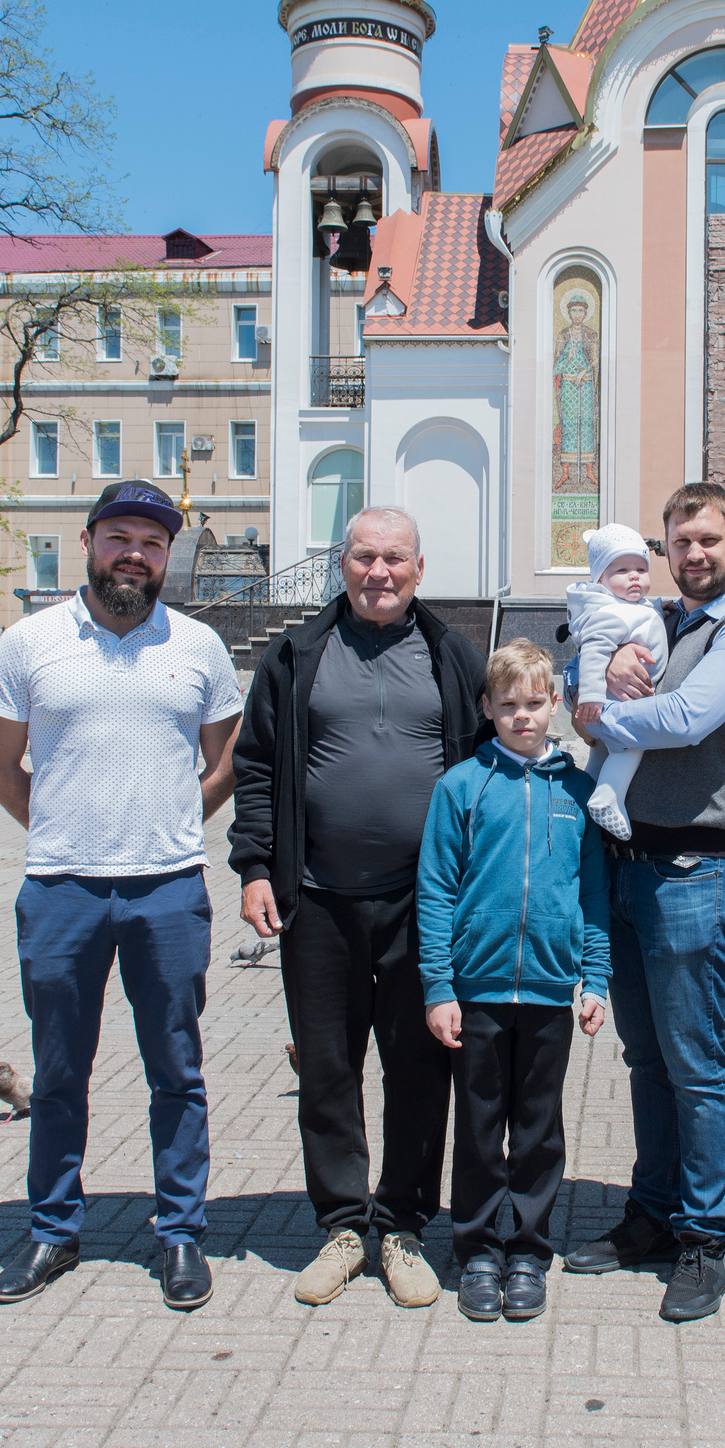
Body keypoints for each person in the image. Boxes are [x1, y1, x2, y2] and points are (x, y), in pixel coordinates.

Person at [0, 481, 244, 1309]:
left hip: (167, 891)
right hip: (61, 891)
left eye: (153, 543)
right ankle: (53, 1230)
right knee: (59, 1073)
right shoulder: (29, 642)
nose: (135, 553)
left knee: (178, 1070)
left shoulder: (198, 645)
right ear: (88, 541)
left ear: (167, 557)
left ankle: (180, 1233)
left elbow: (226, 758)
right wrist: (61, 830)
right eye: (120, 537)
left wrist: (170, 820)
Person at [229, 506, 489, 1311]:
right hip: (318, 900)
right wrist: (255, 867)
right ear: (342, 563)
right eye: (364, 557)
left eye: (394, 559)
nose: (379, 572)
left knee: (420, 1069)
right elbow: (259, 768)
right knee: (329, 1071)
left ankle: (404, 1225)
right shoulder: (296, 654)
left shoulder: (452, 655)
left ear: (419, 567)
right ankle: (343, 1224)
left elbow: (486, 767)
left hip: (426, 908)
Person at [564, 481, 725, 1322]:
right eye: (679, 541)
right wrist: (592, 675)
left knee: (694, 1065)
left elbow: (689, 718)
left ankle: (706, 1236)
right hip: (623, 863)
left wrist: (595, 716)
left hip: (697, 869)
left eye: (707, 538)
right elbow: (577, 662)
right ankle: (653, 1214)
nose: (693, 554)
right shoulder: (657, 617)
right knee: (645, 1059)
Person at [416, 639, 611, 1322]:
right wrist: (439, 986)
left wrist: (596, 977)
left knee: (536, 1127)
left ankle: (526, 1246)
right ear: (487, 708)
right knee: (477, 1125)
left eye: (534, 703)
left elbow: (594, 894)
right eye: (508, 706)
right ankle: (475, 1248)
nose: (523, 716)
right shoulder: (461, 787)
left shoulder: (578, 791)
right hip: (479, 989)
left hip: (552, 990)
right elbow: (436, 890)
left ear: (554, 703)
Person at [565, 522, 667, 840]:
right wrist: (591, 696)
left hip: (611, 706)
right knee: (632, 744)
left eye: (640, 567)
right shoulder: (611, 612)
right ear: (601, 580)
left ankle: (585, 796)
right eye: (622, 570)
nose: (634, 576)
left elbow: (646, 616)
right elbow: (594, 650)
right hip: (608, 706)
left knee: (601, 753)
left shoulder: (631, 607)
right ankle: (609, 798)